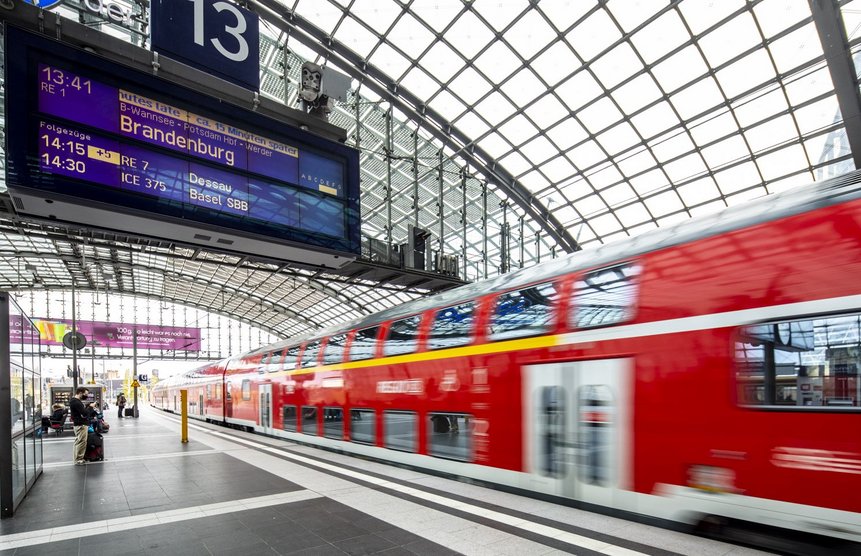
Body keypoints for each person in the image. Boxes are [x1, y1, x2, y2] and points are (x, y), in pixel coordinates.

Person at [70, 387, 90, 465]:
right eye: (85, 394)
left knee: (78, 441)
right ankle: (78, 459)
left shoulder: (75, 401)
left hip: (79, 424)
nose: (86, 396)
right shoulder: (76, 402)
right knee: (81, 442)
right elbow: (84, 413)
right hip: (81, 424)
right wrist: (90, 407)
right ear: (80, 393)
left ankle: (78, 458)